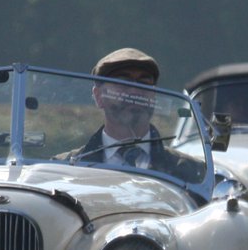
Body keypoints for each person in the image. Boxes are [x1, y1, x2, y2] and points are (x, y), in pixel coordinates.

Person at [66, 48, 202, 180]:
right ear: (99, 96)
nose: (135, 91)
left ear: (154, 95)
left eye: (144, 83)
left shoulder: (191, 172)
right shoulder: (67, 168)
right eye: (122, 82)